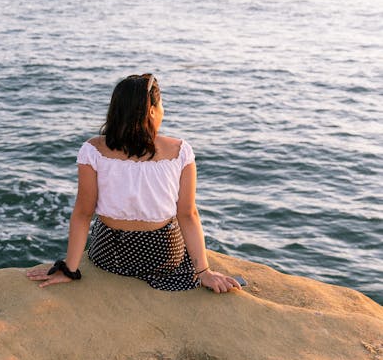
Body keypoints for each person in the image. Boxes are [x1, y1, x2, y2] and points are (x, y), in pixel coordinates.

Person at [27, 73, 242, 293]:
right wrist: (204, 272)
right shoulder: (179, 152)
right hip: (162, 258)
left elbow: (83, 214)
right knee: (175, 220)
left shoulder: (92, 150)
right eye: (161, 106)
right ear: (151, 111)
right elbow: (188, 215)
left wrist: (70, 269)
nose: (163, 112)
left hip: (109, 256)